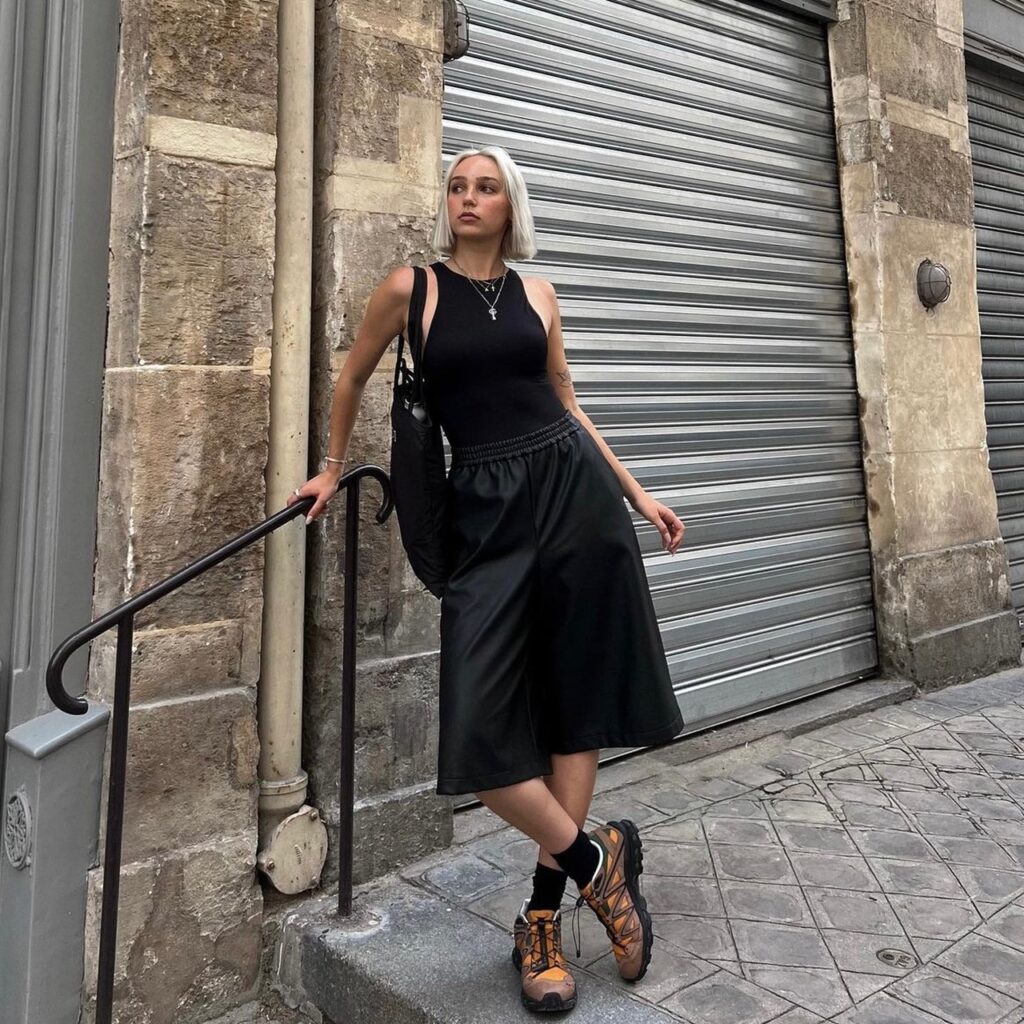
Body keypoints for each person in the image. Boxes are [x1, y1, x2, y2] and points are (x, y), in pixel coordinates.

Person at [288, 145, 686, 1014]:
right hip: (485, 510)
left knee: (572, 704)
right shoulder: (411, 288)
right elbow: (352, 376)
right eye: (458, 186)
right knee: (480, 732)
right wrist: (329, 465)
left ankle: (541, 921)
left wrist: (637, 491)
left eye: (486, 187)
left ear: (511, 205)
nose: (468, 198)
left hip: (572, 495)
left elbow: (567, 402)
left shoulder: (539, 293)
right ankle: (596, 860)